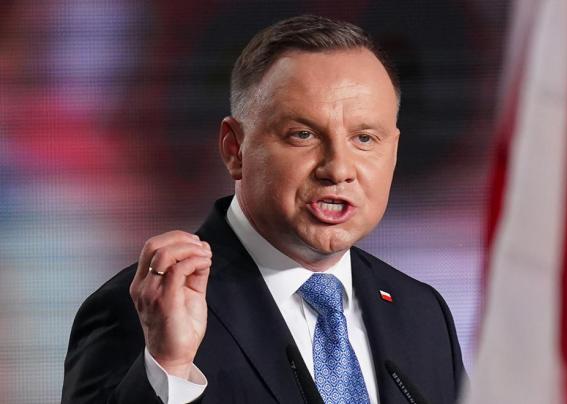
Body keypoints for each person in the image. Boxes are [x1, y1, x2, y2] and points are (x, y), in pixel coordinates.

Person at [61, 15, 465, 404]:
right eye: (303, 135)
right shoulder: (143, 311)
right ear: (234, 149)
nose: (339, 169)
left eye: (364, 139)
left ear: (393, 151)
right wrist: (169, 369)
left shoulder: (422, 313)